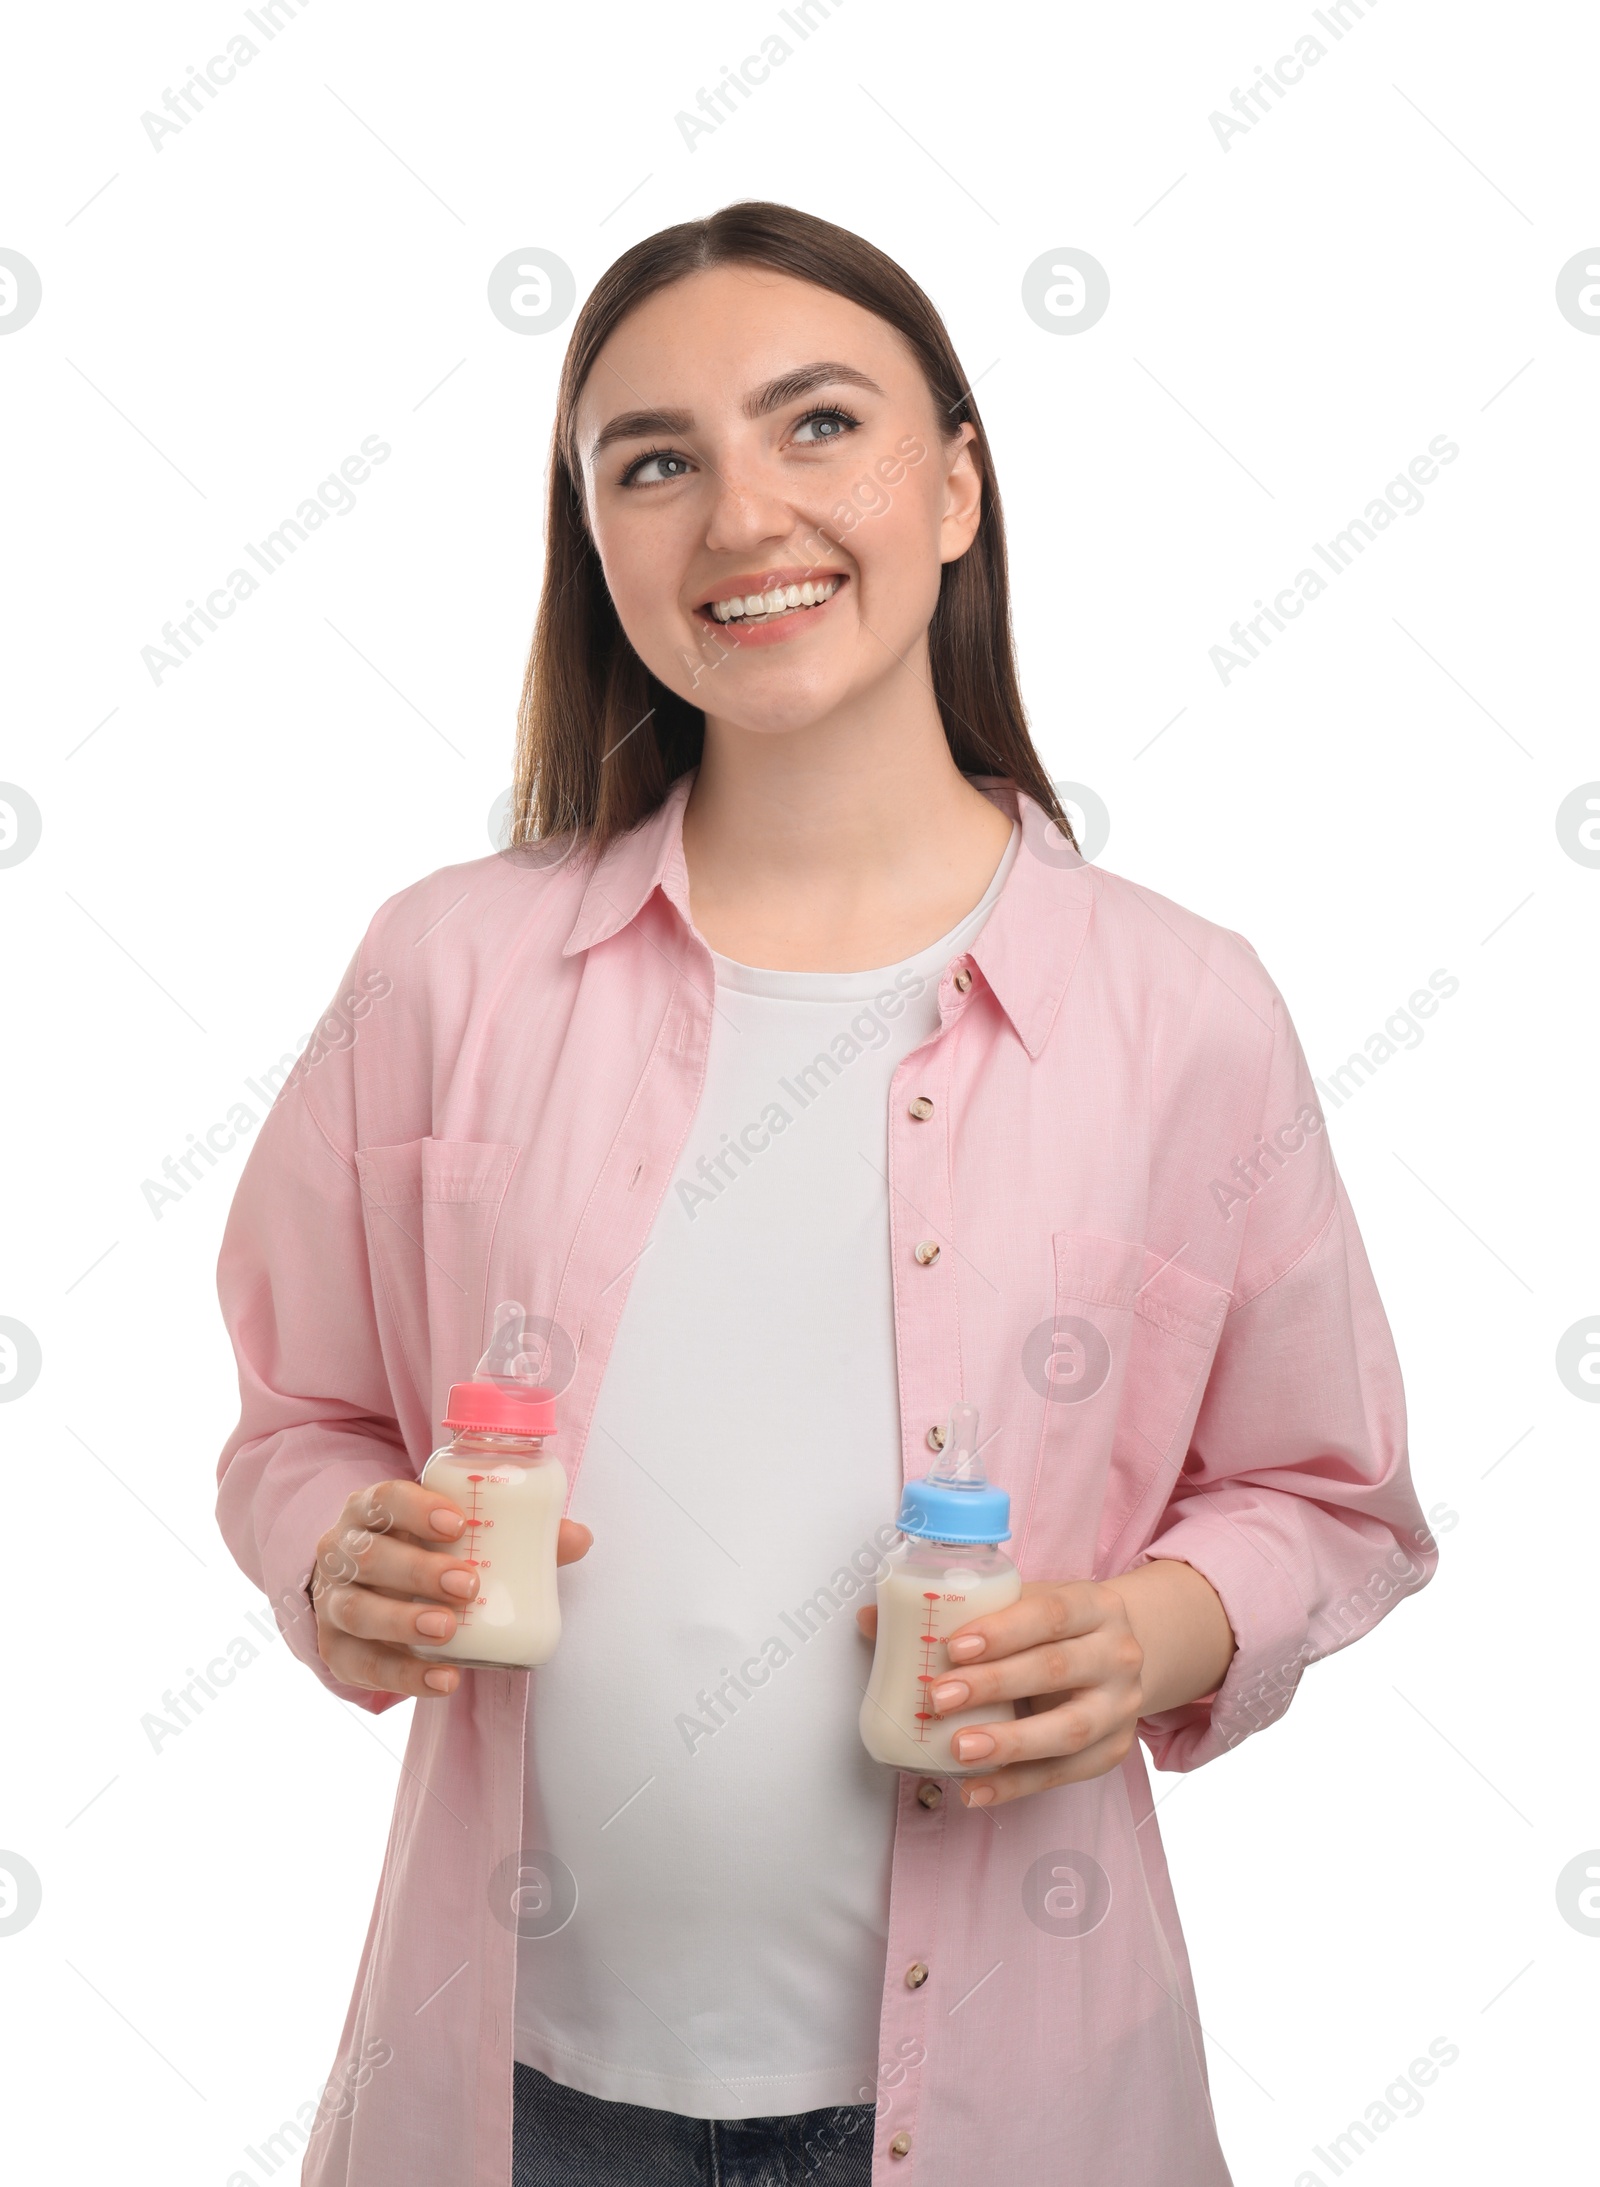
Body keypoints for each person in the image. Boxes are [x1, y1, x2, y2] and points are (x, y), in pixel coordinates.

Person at [215, 201, 1437, 2187]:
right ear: (593, 538)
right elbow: (304, 1422)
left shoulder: (1177, 1006)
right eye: (656, 460)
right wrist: (328, 1555)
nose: (739, 515)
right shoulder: (442, 972)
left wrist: (1150, 1628)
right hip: (514, 2105)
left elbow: (1328, 1495)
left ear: (953, 485)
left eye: (816, 425)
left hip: (1015, 2113)